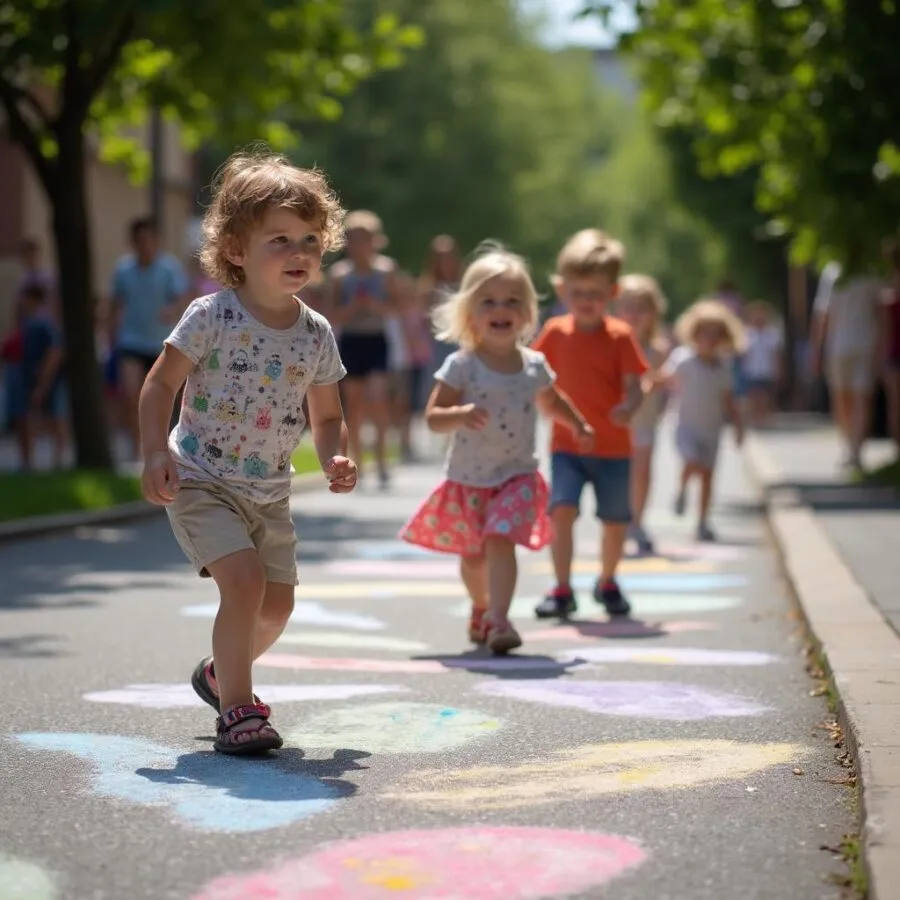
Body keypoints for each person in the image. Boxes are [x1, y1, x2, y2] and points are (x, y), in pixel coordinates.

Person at [138, 149, 358, 755]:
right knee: (243, 583)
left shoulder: (316, 333)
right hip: (202, 477)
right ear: (236, 249)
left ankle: (218, 674)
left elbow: (330, 414)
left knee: (277, 605)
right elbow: (160, 383)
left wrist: (335, 456)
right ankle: (237, 709)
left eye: (310, 239)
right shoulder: (212, 316)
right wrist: (154, 450)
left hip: (270, 489)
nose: (299, 253)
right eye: (279, 239)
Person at [400, 245, 592, 654]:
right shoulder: (462, 366)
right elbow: (433, 416)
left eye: (511, 301)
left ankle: (501, 620)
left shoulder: (534, 365)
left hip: (517, 475)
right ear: (470, 313)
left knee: (501, 538)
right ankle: (482, 606)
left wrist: (577, 424)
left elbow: (552, 401)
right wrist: (460, 414)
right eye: (488, 301)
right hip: (469, 479)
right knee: (473, 557)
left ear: (526, 314)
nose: (500, 309)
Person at [532, 229, 648, 620]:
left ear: (612, 293)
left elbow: (637, 385)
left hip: (614, 448)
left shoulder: (621, 336)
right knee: (561, 511)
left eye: (596, 294)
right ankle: (562, 588)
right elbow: (534, 378)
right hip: (567, 446)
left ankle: (608, 580)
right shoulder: (553, 334)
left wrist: (629, 407)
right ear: (563, 291)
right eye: (578, 293)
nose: (586, 302)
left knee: (615, 520)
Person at [326, 211, 399, 488]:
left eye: (364, 239)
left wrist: (375, 306)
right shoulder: (340, 275)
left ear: (375, 241)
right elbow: (331, 313)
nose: (359, 245)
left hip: (377, 339)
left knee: (378, 400)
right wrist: (353, 308)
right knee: (354, 404)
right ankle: (359, 460)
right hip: (352, 341)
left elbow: (398, 306)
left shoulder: (386, 270)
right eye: (354, 240)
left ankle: (382, 460)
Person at [664, 299, 746, 541]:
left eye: (714, 335)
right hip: (684, 426)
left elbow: (730, 399)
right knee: (691, 461)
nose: (708, 340)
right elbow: (665, 379)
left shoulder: (724, 367)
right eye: (703, 334)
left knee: (708, 475)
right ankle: (681, 489)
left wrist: (739, 426)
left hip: (712, 429)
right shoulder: (683, 360)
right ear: (693, 334)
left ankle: (702, 521)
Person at [109, 217, 190, 458]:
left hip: (164, 344)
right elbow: (114, 304)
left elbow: (183, 298)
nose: (145, 245)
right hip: (131, 342)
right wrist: (109, 332)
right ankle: (137, 449)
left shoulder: (169, 269)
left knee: (171, 397)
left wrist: (171, 310)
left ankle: (170, 447)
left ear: (157, 241)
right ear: (132, 243)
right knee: (133, 394)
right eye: (140, 240)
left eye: (149, 240)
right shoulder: (123, 270)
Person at [811, 253, 884, 470]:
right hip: (856, 344)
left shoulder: (835, 271)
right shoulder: (843, 271)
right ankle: (853, 447)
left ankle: (853, 448)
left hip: (846, 346)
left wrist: (816, 350)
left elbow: (823, 315)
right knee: (856, 397)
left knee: (847, 397)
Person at [615, 274, 671, 555]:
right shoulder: (613, 343)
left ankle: (637, 521)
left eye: (641, 308)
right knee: (620, 473)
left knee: (642, 472)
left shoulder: (657, 348)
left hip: (646, 420)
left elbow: (660, 379)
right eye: (628, 306)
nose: (634, 315)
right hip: (620, 421)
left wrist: (657, 383)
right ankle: (620, 520)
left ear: (653, 313)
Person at [4, 283, 67, 469]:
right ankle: (29, 461)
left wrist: (43, 382)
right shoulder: (27, 322)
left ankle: (59, 459)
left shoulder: (43, 322)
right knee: (29, 418)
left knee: (55, 417)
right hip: (31, 378)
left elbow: (55, 352)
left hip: (47, 379)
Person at [418, 234, 463, 374]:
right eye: (440, 257)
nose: (445, 262)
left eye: (448, 256)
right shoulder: (428, 288)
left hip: (461, 341)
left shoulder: (464, 285)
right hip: (436, 345)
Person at [742, 300, 783, 428]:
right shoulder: (747, 334)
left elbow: (776, 354)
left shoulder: (772, 334)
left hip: (767, 370)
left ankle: (764, 418)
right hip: (751, 370)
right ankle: (755, 419)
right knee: (754, 396)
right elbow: (744, 354)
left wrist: (778, 369)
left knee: (765, 396)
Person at [880, 241, 900, 459]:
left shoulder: (888, 292)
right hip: (894, 353)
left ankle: (897, 451)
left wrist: (881, 359)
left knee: (895, 405)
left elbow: (884, 331)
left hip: (894, 353)